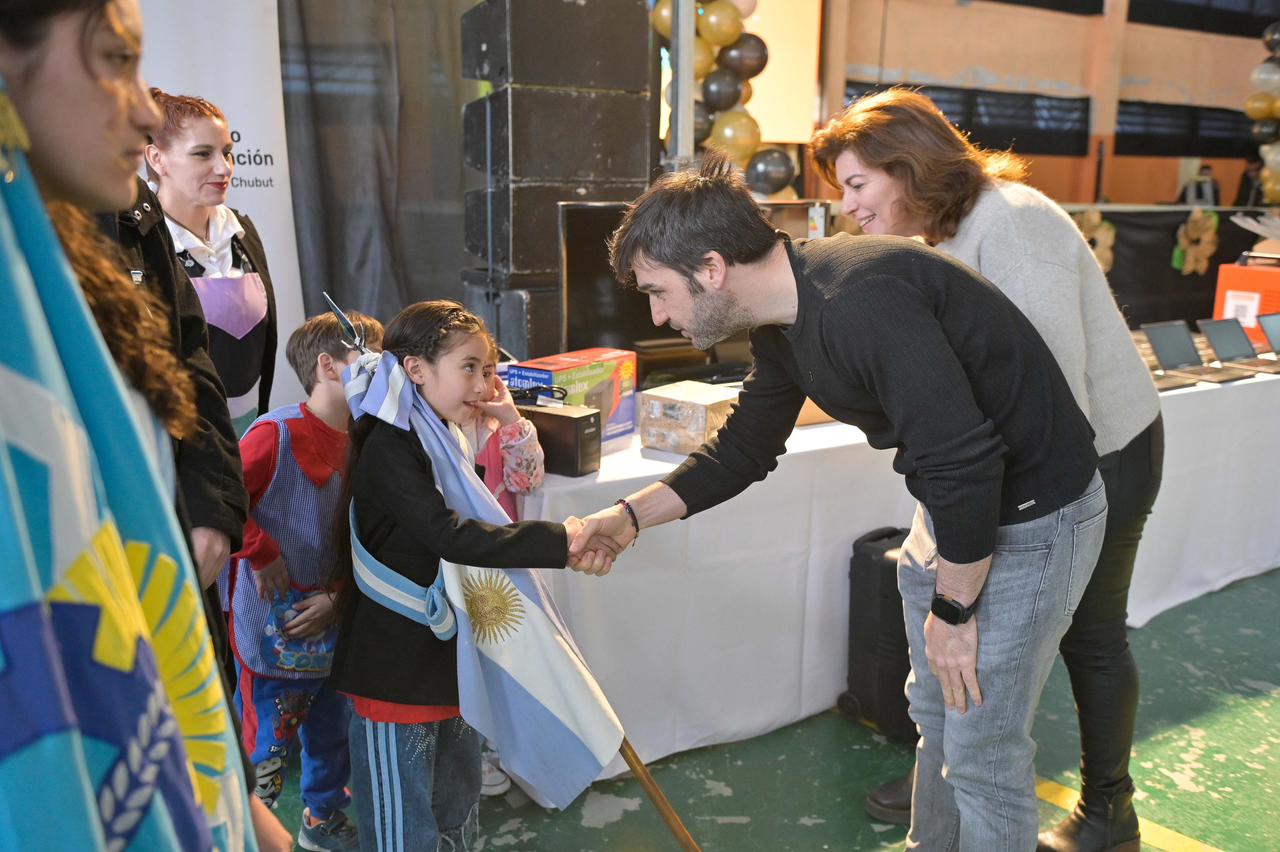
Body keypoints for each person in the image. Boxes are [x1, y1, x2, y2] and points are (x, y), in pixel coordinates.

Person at [569, 151, 1108, 850]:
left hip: (1033, 515)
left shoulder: (859, 299)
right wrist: (627, 517)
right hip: (960, 511)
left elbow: (967, 462)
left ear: (710, 268)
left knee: (982, 749)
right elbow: (743, 450)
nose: (658, 314)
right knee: (939, 715)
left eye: (657, 290)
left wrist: (954, 608)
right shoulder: (784, 319)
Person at [809, 88, 1164, 852]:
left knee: (1088, 633)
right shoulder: (935, 233)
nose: (847, 209)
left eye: (858, 185)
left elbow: (1048, 399)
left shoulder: (1014, 224)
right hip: (1022, 459)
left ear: (907, 167)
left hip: (1101, 451)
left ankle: (1109, 809)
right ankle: (952, 767)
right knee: (977, 630)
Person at [0, 1, 291, 849]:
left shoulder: (128, 223)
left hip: (161, 586)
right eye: (112, 60)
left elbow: (188, 372)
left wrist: (211, 501)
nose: (138, 107)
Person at [326, 301, 611, 851]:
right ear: (415, 370)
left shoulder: (444, 436)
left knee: (455, 804)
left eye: (487, 369)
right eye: (470, 367)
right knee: (401, 824)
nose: (483, 383)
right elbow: (452, 534)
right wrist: (561, 539)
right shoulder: (391, 446)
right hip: (396, 666)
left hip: (450, 657)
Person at [229, 311, 383, 851]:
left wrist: (337, 600)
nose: (381, 370)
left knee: (331, 733)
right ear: (329, 366)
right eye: (369, 358)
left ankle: (322, 819)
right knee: (268, 745)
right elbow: (225, 502)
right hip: (271, 637)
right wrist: (262, 551)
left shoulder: (366, 441)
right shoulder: (273, 435)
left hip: (333, 628)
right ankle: (249, 832)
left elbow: (364, 536)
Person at [100, 174, 250, 591]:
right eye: (202, 154)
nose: (144, 119)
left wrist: (213, 509)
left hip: (170, 521)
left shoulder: (134, 206)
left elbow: (189, 361)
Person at [145, 87, 278, 436]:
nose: (223, 168)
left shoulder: (241, 232)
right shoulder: (140, 242)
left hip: (248, 438)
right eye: (203, 154)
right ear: (157, 159)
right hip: (177, 440)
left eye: (227, 152)